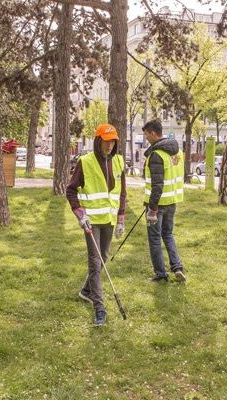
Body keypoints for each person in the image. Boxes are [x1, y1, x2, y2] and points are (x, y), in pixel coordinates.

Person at [66, 123, 127, 327]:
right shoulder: (86, 162)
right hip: (91, 221)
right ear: (98, 141)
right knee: (95, 261)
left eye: (112, 141)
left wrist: (121, 218)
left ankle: (86, 290)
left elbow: (122, 192)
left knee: (103, 259)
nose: (109, 145)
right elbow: (71, 190)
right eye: (105, 141)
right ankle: (99, 308)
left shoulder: (119, 162)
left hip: (109, 220)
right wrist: (79, 213)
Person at [142, 119, 186, 283]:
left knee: (154, 239)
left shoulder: (157, 155)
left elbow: (157, 186)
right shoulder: (177, 152)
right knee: (168, 234)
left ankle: (161, 274)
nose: (146, 138)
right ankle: (177, 267)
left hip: (157, 205)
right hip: (172, 202)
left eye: (146, 135)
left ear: (153, 133)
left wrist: (152, 209)